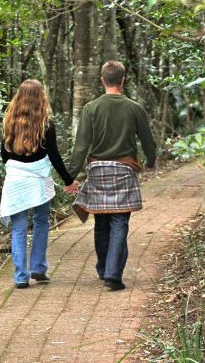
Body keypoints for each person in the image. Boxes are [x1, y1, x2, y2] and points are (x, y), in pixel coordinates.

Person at [66, 61, 156, 291]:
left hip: (97, 171)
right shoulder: (135, 108)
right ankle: (112, 274)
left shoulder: (91, 108)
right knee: (119, 222)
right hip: (124, 170)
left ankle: (105, 269)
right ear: (123, 80)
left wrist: (71, 176)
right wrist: (150, 162)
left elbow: (81, 145)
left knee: (101, 221)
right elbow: (148, 141)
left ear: (102, 80)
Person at [0, 79, 78, 289]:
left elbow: (4, 155)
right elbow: (54, 156)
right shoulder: (46, 124)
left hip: (15, 180)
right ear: (40, 97)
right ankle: (38, 268)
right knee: (41, 221)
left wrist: (19, 169)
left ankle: (21, 277)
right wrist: (68, 180)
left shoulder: (9, 121)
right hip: (39, 179)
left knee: (19, 228)